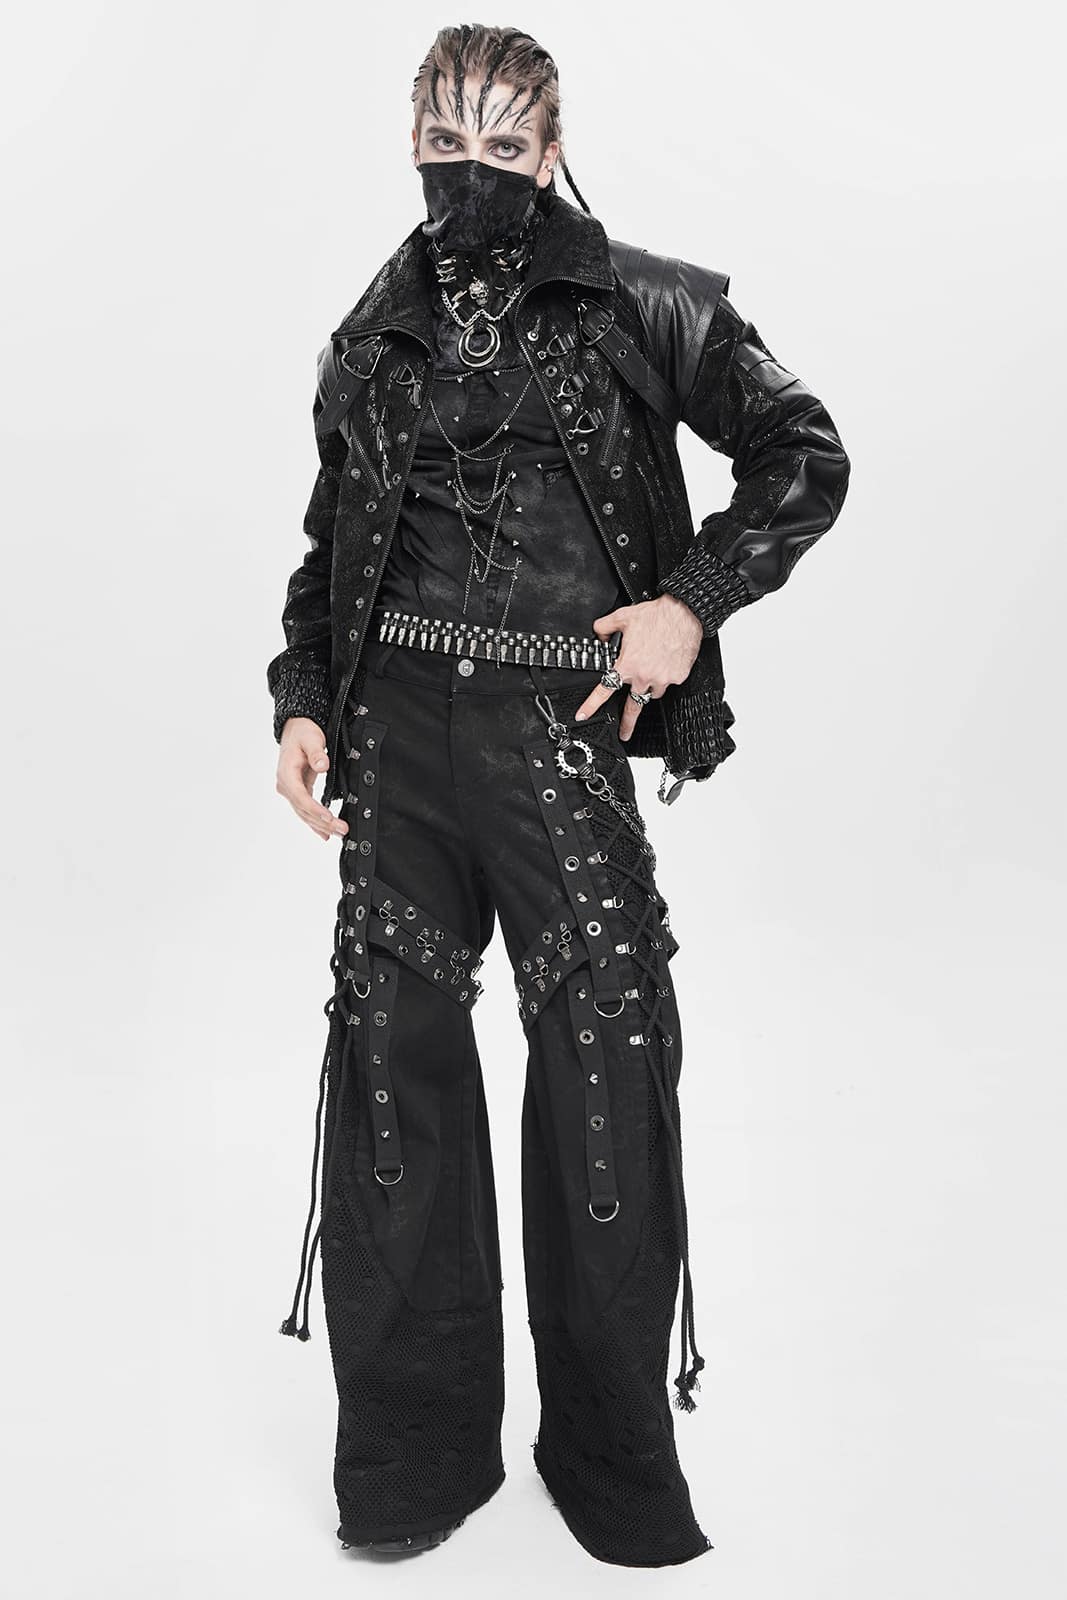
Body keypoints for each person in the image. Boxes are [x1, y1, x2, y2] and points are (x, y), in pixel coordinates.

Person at [266, 24, 850, 1568]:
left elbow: (804, 450)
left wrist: (692, 603)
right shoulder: (370, 335)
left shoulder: (644, 303)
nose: (472, 175)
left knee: (607, 1059)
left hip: (559, 729)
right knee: (389, 1073)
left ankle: (609, 1455)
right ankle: (412, 1459)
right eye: (445, 146)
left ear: (554, 149)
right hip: (394, 735)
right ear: (411, 143)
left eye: (504, 147)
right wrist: (305, 698)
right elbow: (330, 544)